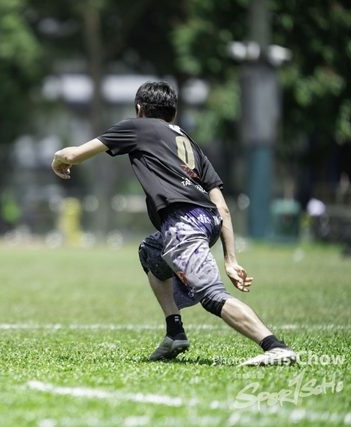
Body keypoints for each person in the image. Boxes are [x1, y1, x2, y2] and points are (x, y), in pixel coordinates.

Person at [51, 81, 296, 366]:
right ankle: (174, 332)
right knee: (152, 252)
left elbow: (73, 155)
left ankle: (274, 346)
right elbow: (223, 208)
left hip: (184, 222)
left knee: (212, 296)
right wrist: (230, 258)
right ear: (173, 114)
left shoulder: (136, 127)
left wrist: (57, 159)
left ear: (139, 110)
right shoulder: (189, 144)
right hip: (208, 220)